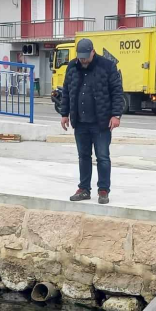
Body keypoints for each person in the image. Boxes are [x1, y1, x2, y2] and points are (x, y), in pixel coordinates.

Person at [59, 38, 124, 204]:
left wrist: (116, 115)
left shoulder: (107, 66)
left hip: (101, 122)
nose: (83, 60)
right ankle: (84, 189)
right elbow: (66, 91)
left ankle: (103, 190)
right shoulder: (72, 67)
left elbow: (117, 92)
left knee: (102, 157)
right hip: (80, 122)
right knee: (83, 156)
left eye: (85, 57)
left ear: (93, 52)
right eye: (80, 57)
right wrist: (64, 113)